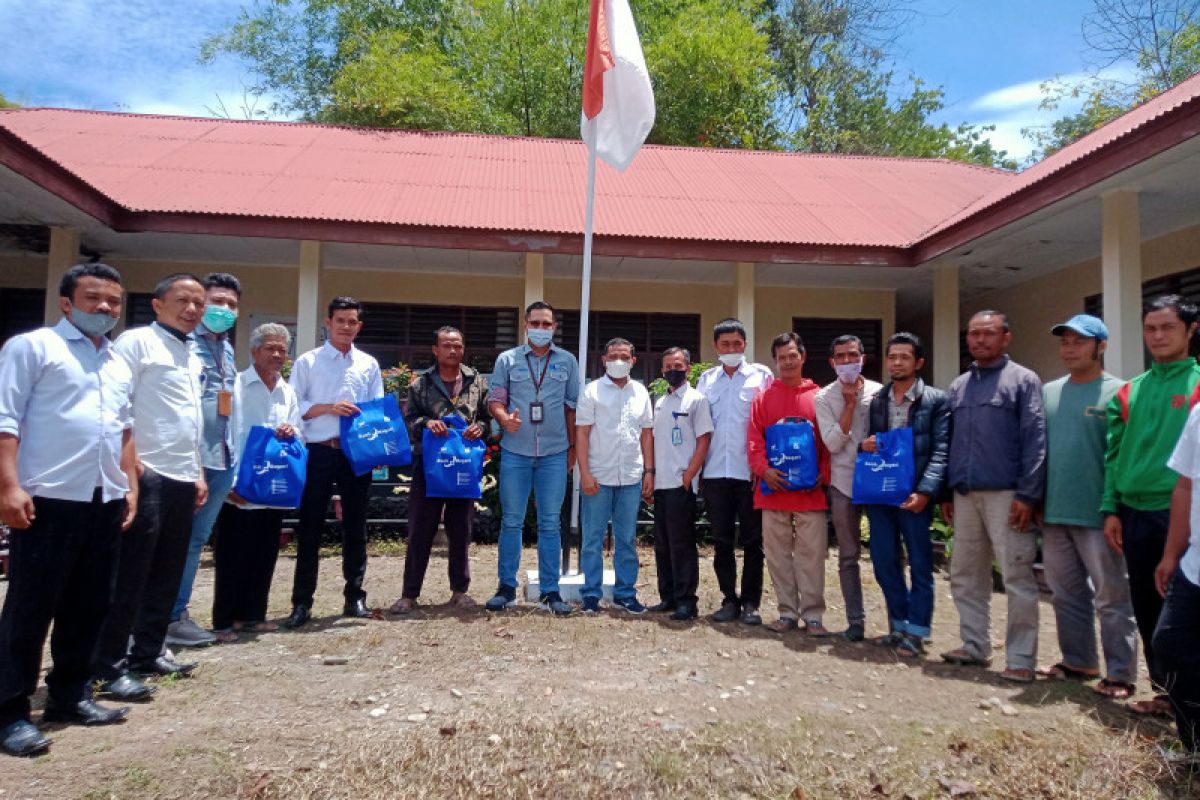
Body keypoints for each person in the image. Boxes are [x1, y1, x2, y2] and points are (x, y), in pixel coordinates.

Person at [0, 264, 137, 757]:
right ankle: (10, 711)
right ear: (65, 302)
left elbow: (123, 430)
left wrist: (131, 487)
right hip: (47, 497)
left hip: (103, 497)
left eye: (113, 302)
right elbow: (5, 418)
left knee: (90, 603)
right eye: (94, 298)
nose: (104, 309)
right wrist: (8, 486)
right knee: (30, 608)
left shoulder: (117, 361)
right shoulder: (33, 347)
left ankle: (69, 695)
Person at [93, 273, 209, 699]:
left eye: (198, 302)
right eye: (183, 300)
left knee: (167, 568)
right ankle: (108, 662)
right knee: (131, 571)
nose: (193, 309)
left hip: (182, 472)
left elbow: (189, 418)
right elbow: (118, 406)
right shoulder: (136, 343)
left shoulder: (192, 353)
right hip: (146, 472)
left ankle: (148, 651)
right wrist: (130, 468)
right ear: (158, 304)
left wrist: (197, 470)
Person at [1102, 295, 1200, 715]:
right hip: (1134, 513)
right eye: (1150, 328)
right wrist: (1111, 508)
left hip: (1184, 516)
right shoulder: (1129, 392)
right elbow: (1112, 455)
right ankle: (1165, 693)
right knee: (1146, 601)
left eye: (1168, 328)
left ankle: (1189, 699)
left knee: (1184, 612)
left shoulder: (1197, 386)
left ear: (1191, 330)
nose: (1158, 336)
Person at [940, 310, 1046, 683]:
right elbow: (949, 442)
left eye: (988, 333)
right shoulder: (960, 386)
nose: (980, 340)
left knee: (1016, 576)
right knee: (965, 574)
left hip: (1007, 495)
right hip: (965, 494)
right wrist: (946, 493)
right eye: (973, 334)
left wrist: (1028, 494)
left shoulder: (1022, 381)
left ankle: (1020, 657)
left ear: (1006, 337)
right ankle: (973, 645)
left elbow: (1035, 440)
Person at [1038, 315, 1138, 699]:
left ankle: (1121, 674)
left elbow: (1124, 455)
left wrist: (1115, 508)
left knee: (1112, 596)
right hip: (1055, 510)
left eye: (1079, 341)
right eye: (1064, 342)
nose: (1069, 348)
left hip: (1099, 515)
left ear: (1102, 346)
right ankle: (1079, 660)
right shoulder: (1050, 392)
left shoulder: (1121, 392)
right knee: (1065, 593)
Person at [285, 296, 384, 628]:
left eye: (352, 321)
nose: (346, 327)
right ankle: (302, 603)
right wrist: (329, 407)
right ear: (327, 323)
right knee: (310, 526)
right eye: (340, 320)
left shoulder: (368, 364)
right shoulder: (308, 362)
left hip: (355, 453)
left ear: (359, 326)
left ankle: (355, 596)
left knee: (356, 526)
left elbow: (377, 411)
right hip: (317, 451)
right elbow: (293, 406)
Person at [485, 301, 579, 615]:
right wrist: (503, 418)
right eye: (535, 323)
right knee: (511, 521)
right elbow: (495, 399)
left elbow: (571, 408)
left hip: (554, 454)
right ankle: (506, 588)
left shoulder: (567, 361)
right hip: (515, 451)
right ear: (526, 325)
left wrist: (574, 449)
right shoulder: (507, 360)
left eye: (547, 324)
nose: (541, 329)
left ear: (554, 327)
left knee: (550, 523)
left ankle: (551, 592)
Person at [210, 323, 302, 641]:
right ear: (254, 352)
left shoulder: (287, 391)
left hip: (272, 487)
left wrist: (292, 432)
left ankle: (254, 614)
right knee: (232, 553)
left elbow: (299, 433)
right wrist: (229, 482)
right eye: (270, 348)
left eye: (282, 349)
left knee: (265, 552)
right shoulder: (236, 386)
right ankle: (224, 620)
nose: (277, 355)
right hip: (239, 486)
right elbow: (227, 433)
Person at [861, 332, 950, 657]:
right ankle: (897, 625)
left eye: (905, 357)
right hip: (882, 494)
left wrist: (927, 492)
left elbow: (941, 450)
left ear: (919, 362)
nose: (897, 362)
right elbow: (874, 442)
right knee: (885, 561)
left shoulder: (936, 401)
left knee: (920, 563)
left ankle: (917, 630)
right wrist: (868, 444)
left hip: (915, 495)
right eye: (892, 356)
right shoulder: (879, 401)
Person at [391, 326, 490, 613]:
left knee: (461, 529)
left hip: (462, 467)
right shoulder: (421, 384)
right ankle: (409, 594)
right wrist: (426, 424)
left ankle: (460, 591)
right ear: (435, 350)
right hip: (430, 467)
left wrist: (479, 427)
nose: (452, 350)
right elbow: (408, 422)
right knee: (421, 530)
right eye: (446, 345)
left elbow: (487, 420)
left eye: (457, 345)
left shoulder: (476, 382)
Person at [166, 272, 242, 648]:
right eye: (217, 302)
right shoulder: (182, 346)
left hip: (222, 458)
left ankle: (175, 615)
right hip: (186, 462)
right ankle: (154, 618)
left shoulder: (226, 349)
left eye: (231, 305)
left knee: (195, 541)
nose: (223, 310)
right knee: (171, 540)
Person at [747, 332, 833, 635]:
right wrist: (764, 470)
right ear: (775, 361)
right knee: (778, 555)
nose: (787, 361)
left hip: (810, 493)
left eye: (792, 355)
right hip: (774, 491)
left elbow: (828, 442)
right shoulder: (763, 398)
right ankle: (786, 612)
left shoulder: (820, 398)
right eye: (781, 357)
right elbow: (754, 441)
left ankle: (813, 615)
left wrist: (824, 472)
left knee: (812, 555)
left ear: (803, 357)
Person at [697, 318, 773, 625]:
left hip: (750, 473)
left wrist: (764, 466)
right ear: (716, 346)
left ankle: (751, 603)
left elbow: (769, 424)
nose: (731, 349)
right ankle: (729, 598)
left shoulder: (761, 376)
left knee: (755, 540)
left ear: (745, 345)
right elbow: (699, 426)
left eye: (737, 344)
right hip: (715, 472)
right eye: (725, 344)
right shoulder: (707, 380)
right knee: (722, 540)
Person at [576, 338, 655, 614]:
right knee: (592, 540)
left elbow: (646, 433)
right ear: (604, 360)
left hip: (632, 477)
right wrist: (584, 473)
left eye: (624, 356)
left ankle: (625, 593)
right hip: (598, 475)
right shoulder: (591, 391)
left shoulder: (641, 392)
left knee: (626, 539)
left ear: (634, 360)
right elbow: (582, 433)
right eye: (613, 356)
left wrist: (649, 471)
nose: (618, 361)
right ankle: (590, 594)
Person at [814, 334, 881, 641]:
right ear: (832, 362)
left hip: (880, 483)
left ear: (862, 358)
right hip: (843, 483)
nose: (846, 362)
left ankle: (899, 624)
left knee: (886, 552)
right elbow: (832, 443)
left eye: (852, 355)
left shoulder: (881, 393)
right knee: (848, 554)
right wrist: (850, 405)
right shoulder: (825, 398)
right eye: (839, 356)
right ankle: (856, 621)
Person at [650, 347, 713, 621]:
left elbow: (704, 440)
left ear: (687, 367)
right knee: (662, 544)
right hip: (661, 483)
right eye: (666, 366)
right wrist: (649, 474)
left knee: (682, 544)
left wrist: (689, 475)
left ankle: (687, 601)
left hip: (681, 483)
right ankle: (668, 596)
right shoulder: (660, 402)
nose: (671, 370)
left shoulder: (697, 400)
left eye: (677, 365)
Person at [1155, 404, 1200, 759]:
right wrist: (1172, 554)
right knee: (1170, 645)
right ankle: (1195, 746)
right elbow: (1185, 485)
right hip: (1194, 565)